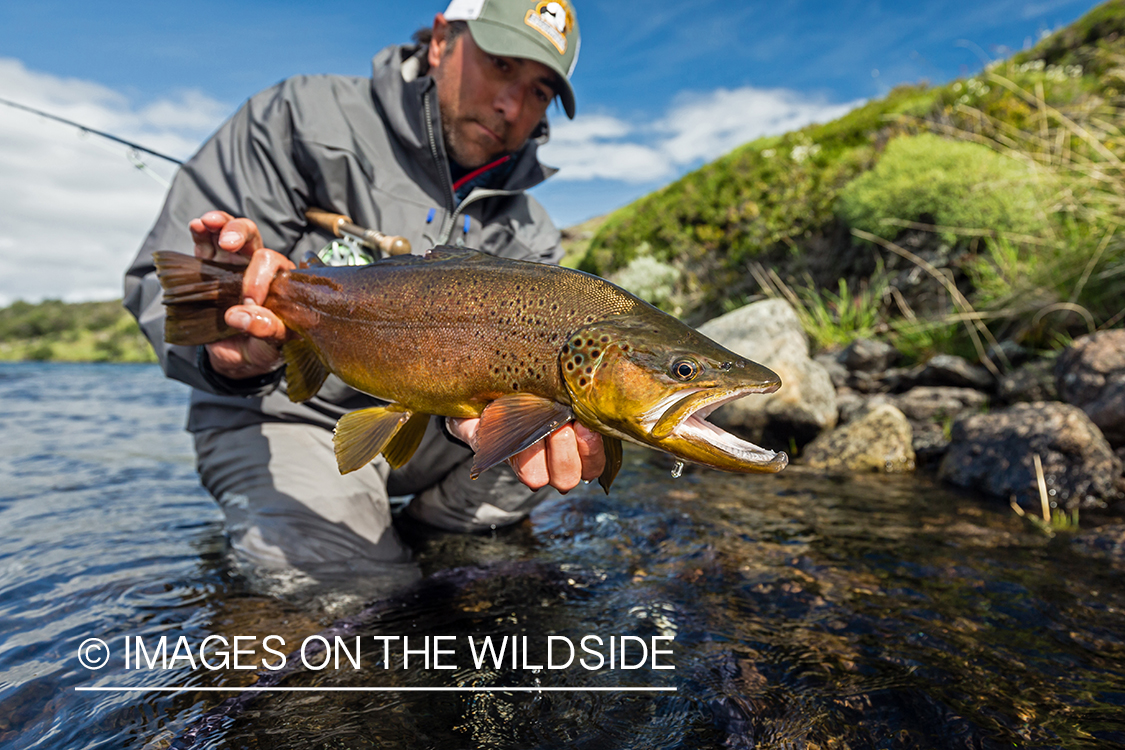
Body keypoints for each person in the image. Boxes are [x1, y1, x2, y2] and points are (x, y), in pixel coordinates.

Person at [124, 0, 604, 587]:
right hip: (288, 413)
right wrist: (222, 348)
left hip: (436, 428)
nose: (512, 105)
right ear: (439, 42)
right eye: (501, 65)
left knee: (572, 437)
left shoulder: (529, 227)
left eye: (539, 92)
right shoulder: (299, 117)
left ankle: (440, 539)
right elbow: (163, 287)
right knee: (357, 599)